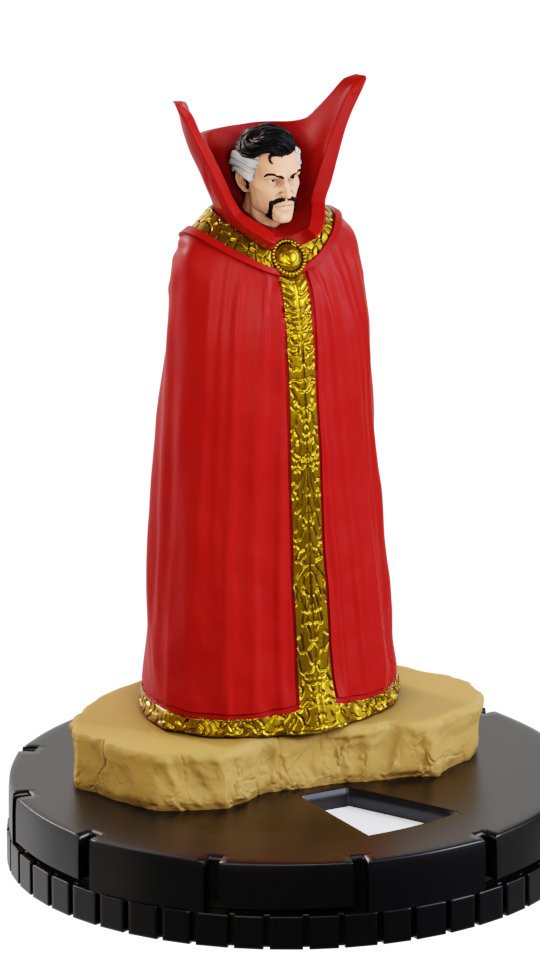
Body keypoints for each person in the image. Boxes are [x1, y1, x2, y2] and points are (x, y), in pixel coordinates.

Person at [141, 77, 398, 735]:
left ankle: (347, 685)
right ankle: (239, 701)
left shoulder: (336, 241)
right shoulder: (204, 257)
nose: (288, 191)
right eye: (273, 181)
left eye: (294, 177)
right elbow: (199, 396)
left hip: (331, 464)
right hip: (241, 470)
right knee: (239, 570)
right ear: (241, 182)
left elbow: (350, 353)